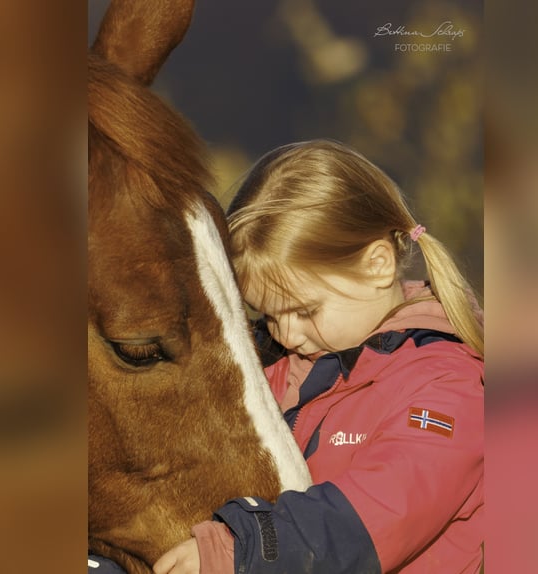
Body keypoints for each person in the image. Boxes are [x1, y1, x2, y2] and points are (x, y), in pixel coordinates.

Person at [154, 139, 484, 574]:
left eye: (304, 311)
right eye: (268, 314)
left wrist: (240, 552)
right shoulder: (269, 364)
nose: (287, 333)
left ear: (377, 265)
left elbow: (375, 516)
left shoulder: (447, 386)